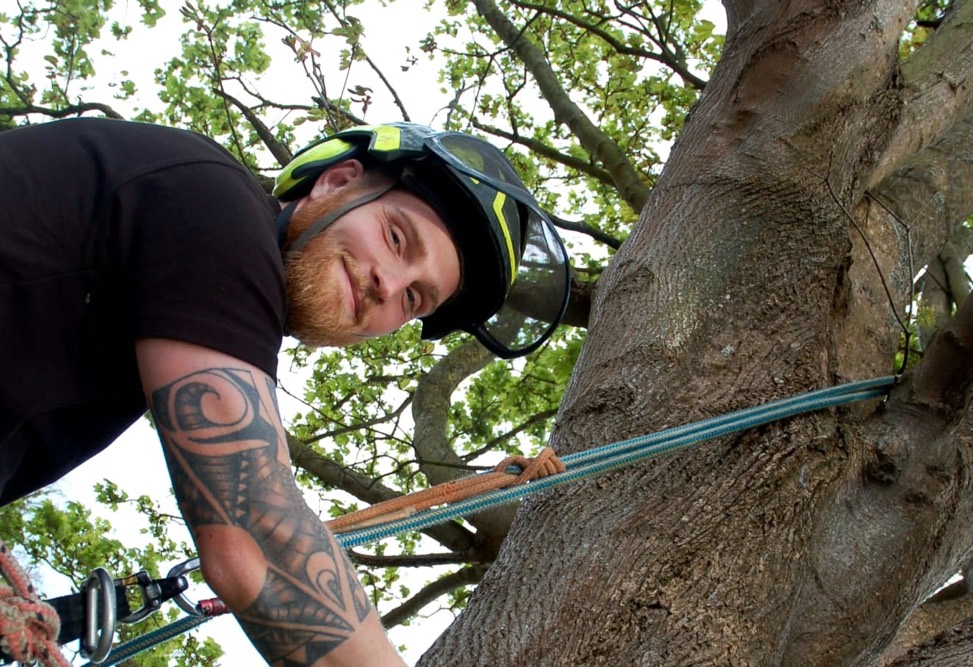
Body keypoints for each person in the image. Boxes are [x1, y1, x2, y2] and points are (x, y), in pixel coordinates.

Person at [0, 118, 570, 665]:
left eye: (414, 300)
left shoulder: (164, 326)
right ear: (336, 181)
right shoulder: (216, 204)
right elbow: (259, 542)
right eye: (396, 238)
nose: (389, 285)